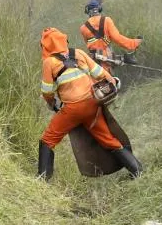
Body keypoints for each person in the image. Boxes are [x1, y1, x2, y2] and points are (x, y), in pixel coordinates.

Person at [38, 27, 142, 180]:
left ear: (46, 46)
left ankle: (43, 179)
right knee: (108, 139)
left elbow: (47, 91)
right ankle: (137, 170)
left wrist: (52, 103)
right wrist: (113, 82)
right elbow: (100, 73)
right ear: (64, 40)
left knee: (48, 139)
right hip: (93, 104)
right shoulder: (79, 53)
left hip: (72, 109)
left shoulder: (49, 62)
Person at [80, 0, 142, 71]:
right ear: (99, 9)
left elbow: (90, 44)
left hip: (92, 60)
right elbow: (117, 38)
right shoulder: (107, 20)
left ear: (88, 12)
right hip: (107, 58)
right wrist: (134, 43)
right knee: (109, 80)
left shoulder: (83, 28)